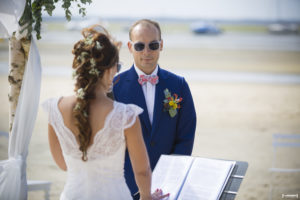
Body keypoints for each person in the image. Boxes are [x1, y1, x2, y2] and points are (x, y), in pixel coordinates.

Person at [42, 25, 168, 200]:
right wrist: (146, 197)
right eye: (117, 66)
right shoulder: (126, 115)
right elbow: (142, 171)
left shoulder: (55, 109)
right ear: (109, 69)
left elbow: (62, 164)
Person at [113, 19, 197, 199]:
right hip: (126, 187)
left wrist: (170, 177)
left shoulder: (179, 85)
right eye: (139, 46)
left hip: (168, 187)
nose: (146, 52)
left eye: (152, 45)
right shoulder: (114, 87)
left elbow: (186, 136)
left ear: (161, 45)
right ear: (129, 47)